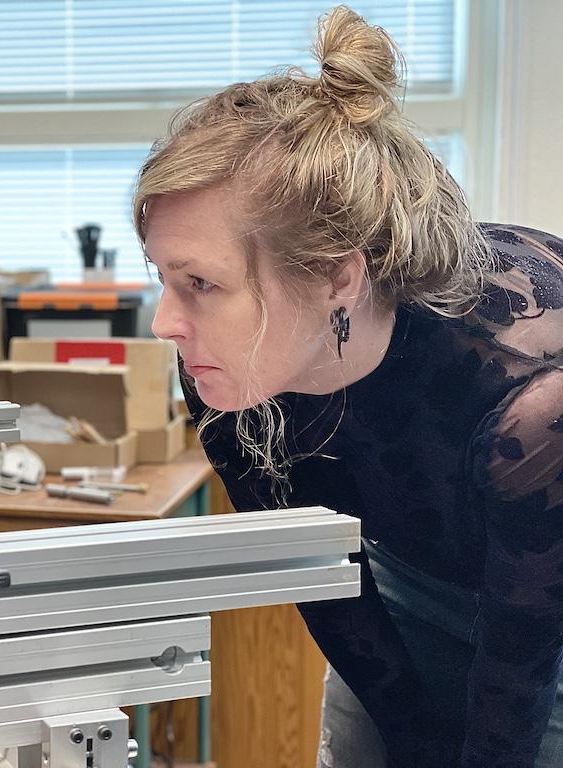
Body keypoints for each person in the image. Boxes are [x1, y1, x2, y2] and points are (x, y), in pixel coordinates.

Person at [135, 5, 563, 767]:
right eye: (165, 280)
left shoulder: (527, 407)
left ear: (339, 276)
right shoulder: (228, 363)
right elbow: (323, 574)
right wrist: (409, 733)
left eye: (200, 282)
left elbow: (519, 671)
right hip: (420, 566)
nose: (167, 322)